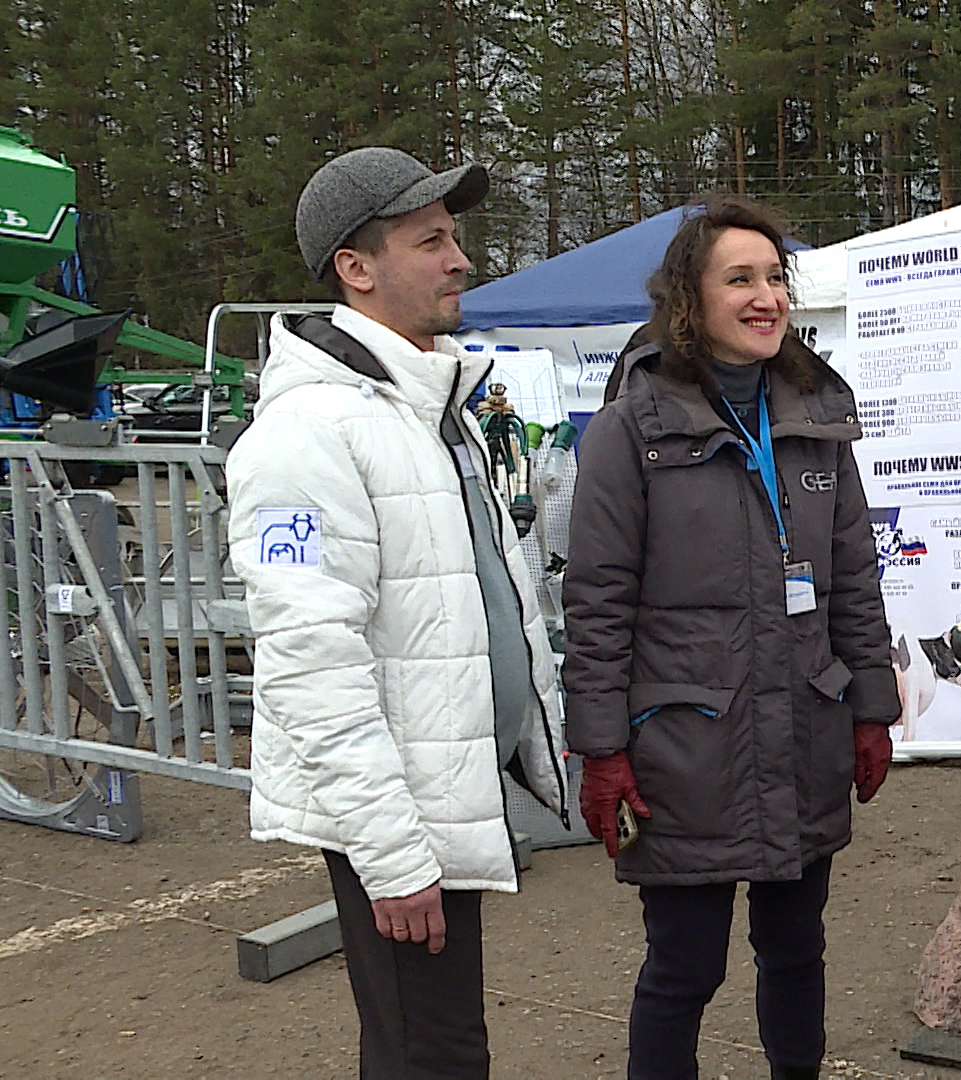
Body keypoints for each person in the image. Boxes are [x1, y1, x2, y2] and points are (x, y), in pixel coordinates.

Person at [229, 146, 570, 1079]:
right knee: (431, 1054)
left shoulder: (423, 407)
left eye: (455, 237)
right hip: (399, 819)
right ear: (357, 267)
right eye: (432, 241)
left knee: (443, 1045)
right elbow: (310, 660)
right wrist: (391, 857)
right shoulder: (305, 436)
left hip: (442, 792)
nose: (461, 259)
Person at [563, 196, 900, 1080]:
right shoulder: (631, 429)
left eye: (776, 277)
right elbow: (596, 601)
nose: (767, 296)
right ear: (689, 299)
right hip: (686, 748)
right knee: (685, 969)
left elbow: (854, 584)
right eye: (740, 279)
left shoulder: (817, 419)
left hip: (802, 731)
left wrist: (871, 708)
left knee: (797, 952)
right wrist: (601, 749)